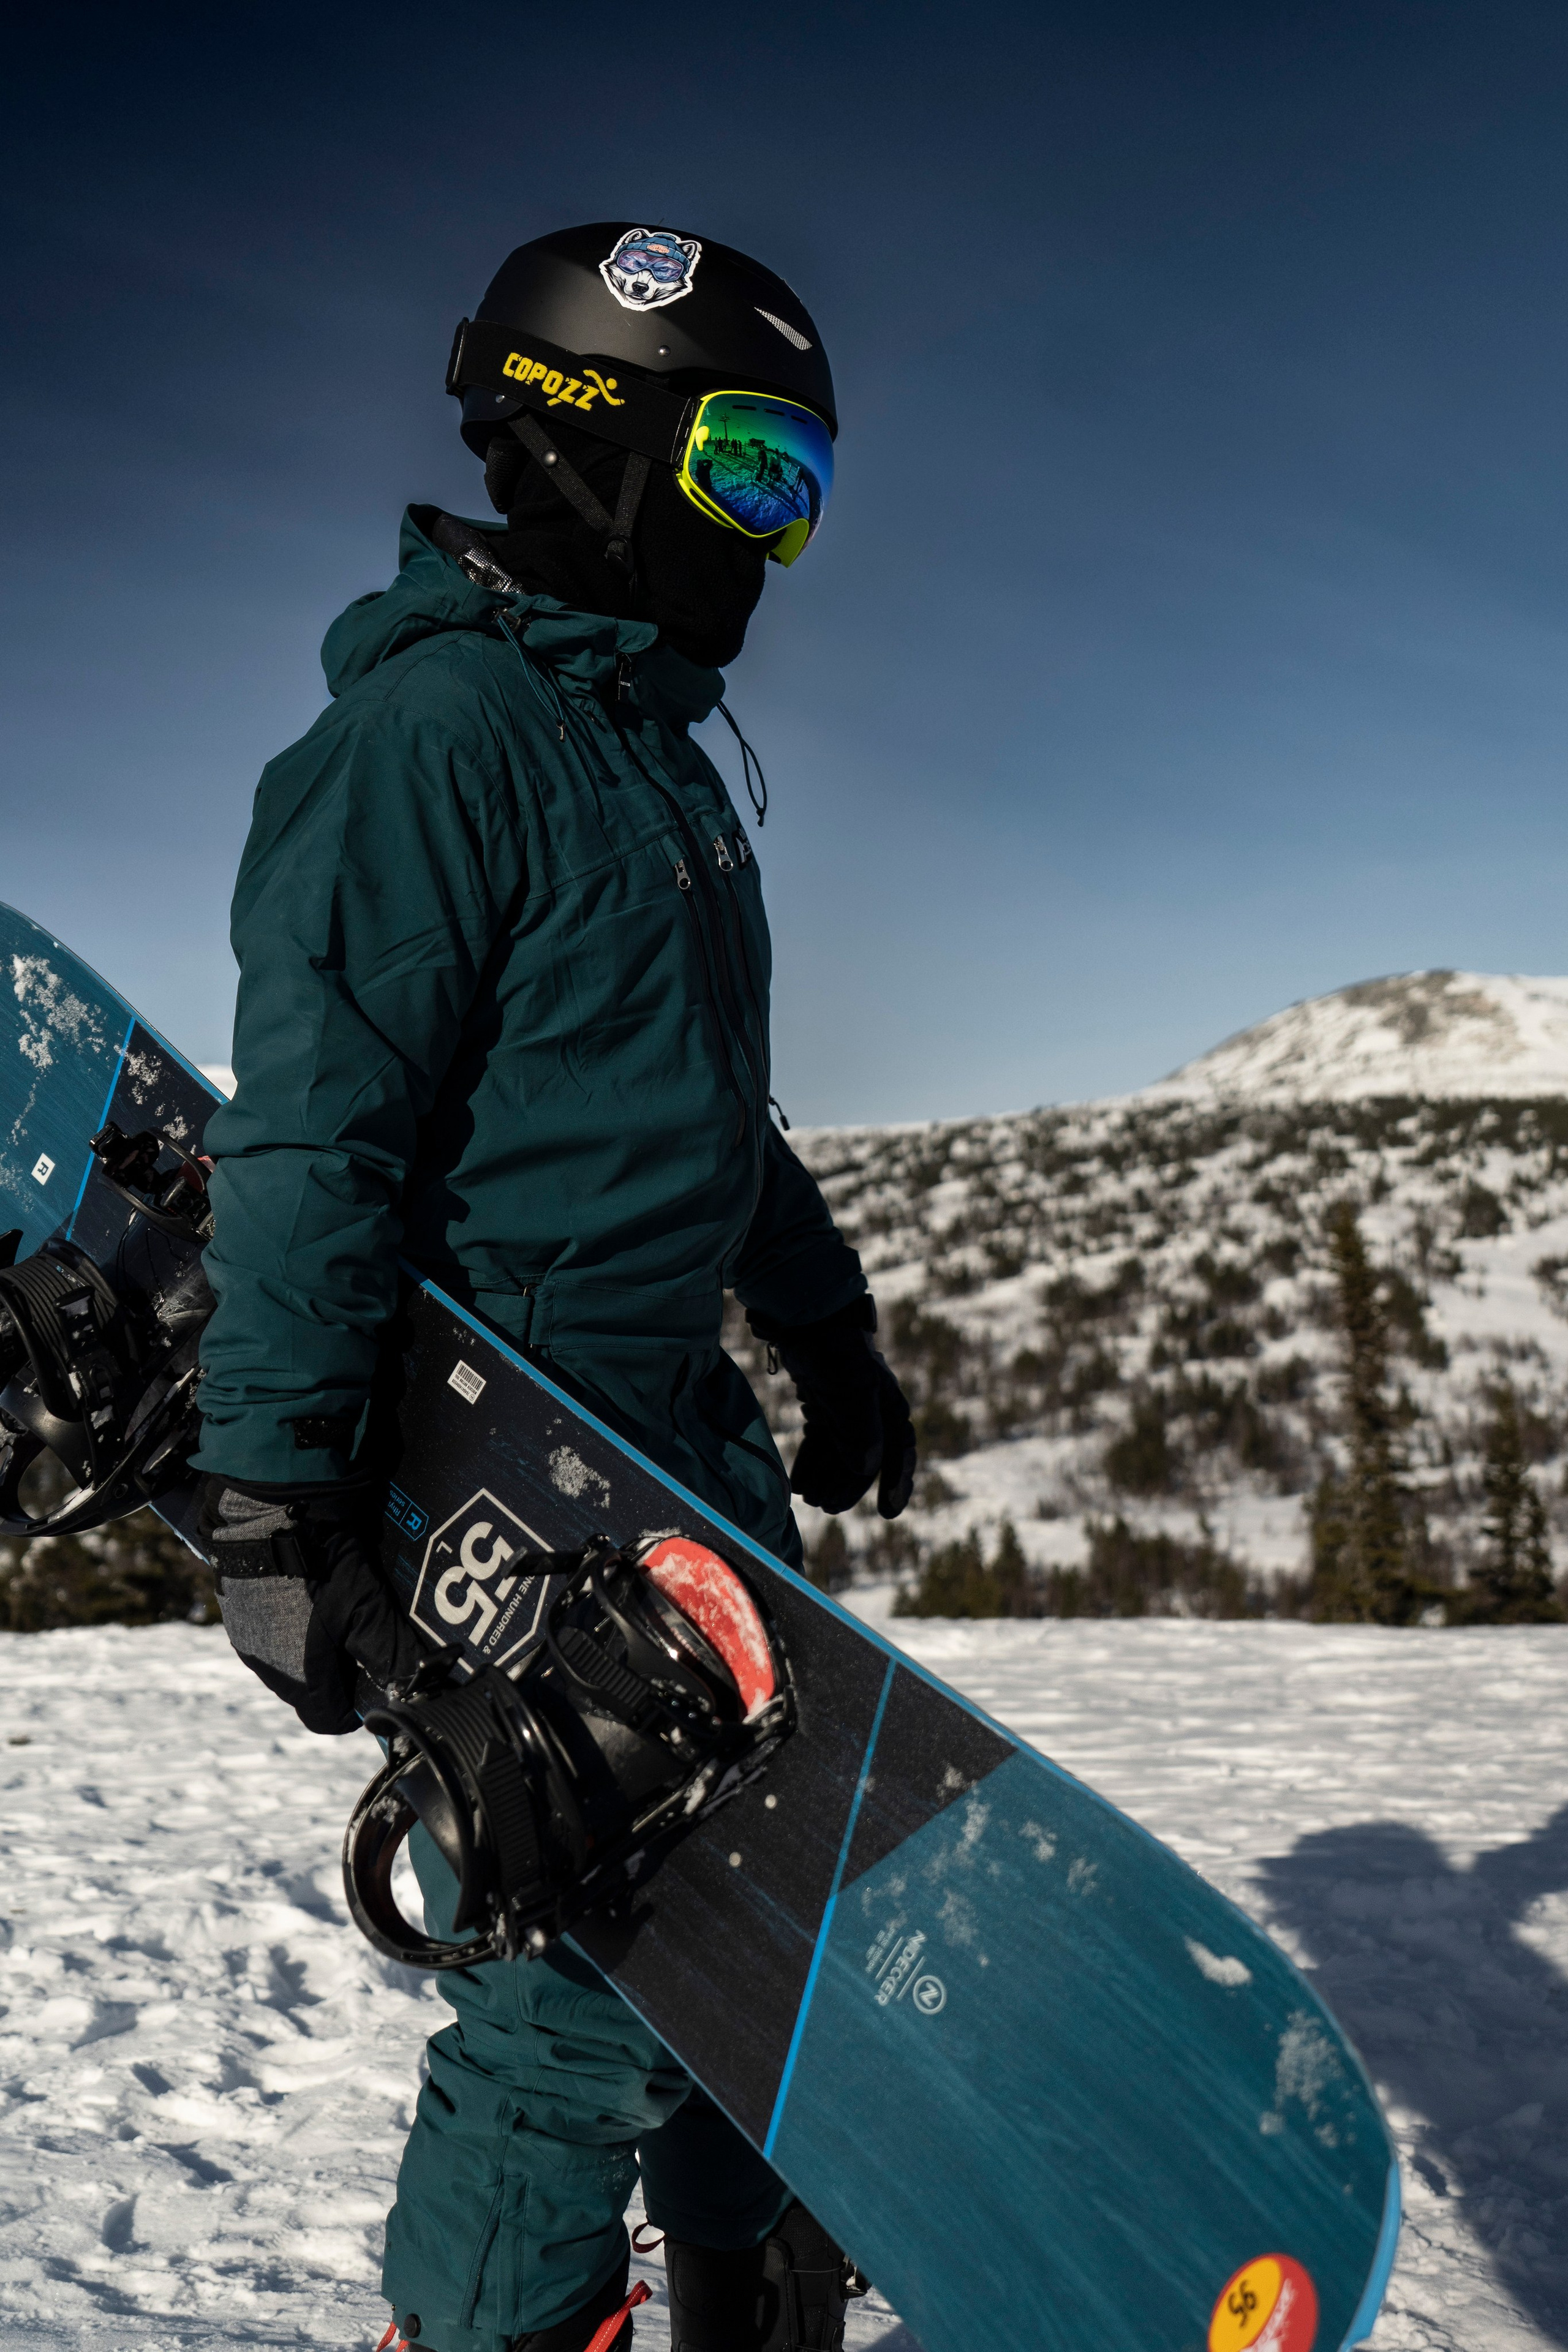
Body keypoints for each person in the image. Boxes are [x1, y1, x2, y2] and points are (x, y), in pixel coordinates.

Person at [192, 221, 917, 2352]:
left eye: (802, 489)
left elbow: (707, 1107)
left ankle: (754, 2289)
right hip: (516, 1478)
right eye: (748, 472)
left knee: (744, 1941)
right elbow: (312, 1135)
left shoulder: (657, 765)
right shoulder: (433, 744)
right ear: (602, 438)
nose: (774, 544)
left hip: (679, 1454)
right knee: (588, 1986)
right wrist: (275, 1495)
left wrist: (827, 1324)